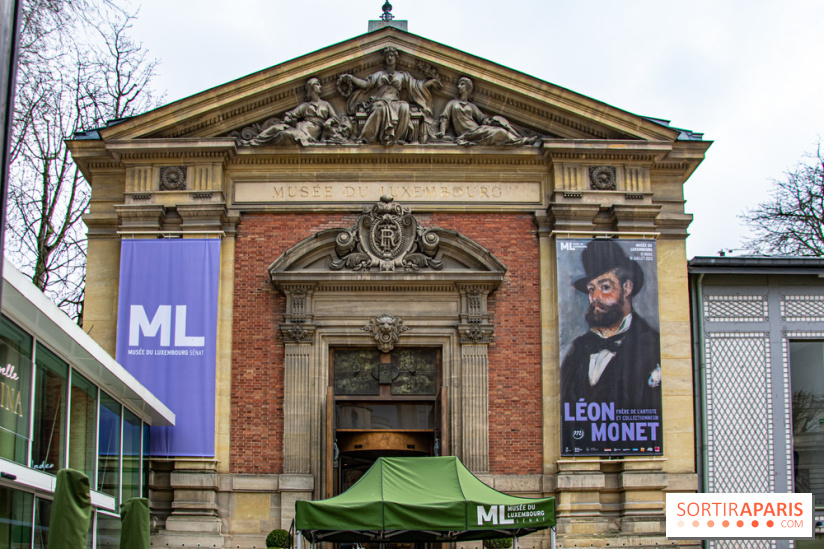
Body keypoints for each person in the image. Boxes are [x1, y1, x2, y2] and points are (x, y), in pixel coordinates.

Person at [560, 239, 661, 410]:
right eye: (591, 289)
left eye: (605, 287)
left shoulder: (652, 346)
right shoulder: (577, 350)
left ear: (627, 288)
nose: (595, 297)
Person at [337, 46, 439, 145]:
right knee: (379, 108)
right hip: (381, 100)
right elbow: (365, 84)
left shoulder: (402, 76)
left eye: (392, 56)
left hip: (395, 102)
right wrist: (351, 78)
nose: (390, 58)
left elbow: (417, 86)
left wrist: (430, 83)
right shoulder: (379, 74)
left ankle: (397, 138)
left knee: (404, 107)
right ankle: (366, 137)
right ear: (385, 59)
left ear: (396, 58)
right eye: (388, 56)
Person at [436, 77, 537, 146]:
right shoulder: (452, 103)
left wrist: (493, 122)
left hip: (477, 130)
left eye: (462, 84)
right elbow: (444, 117)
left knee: (501, 132)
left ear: (468, 88)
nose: (458, 86)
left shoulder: (472, 106)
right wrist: (442, 132)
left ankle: (522, 140)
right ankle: (523, 140)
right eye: (458, 84)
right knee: (500, 133)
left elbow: (483, 119)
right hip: (467, 134)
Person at [241, 77, 336, 146]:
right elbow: (290, 114)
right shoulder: (305, 106)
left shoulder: (325, 104)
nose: (320, 86)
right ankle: (254, 141)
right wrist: (287, 119)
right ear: (311, 88)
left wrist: (329, 121)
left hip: (310, 132)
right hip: (300, 127)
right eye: (317, 84)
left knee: (284, 134)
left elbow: (335, 118)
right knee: (276, 127)